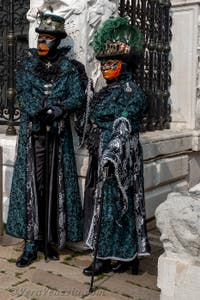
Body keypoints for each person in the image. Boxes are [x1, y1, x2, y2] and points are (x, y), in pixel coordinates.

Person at [6, 12, 87, 267]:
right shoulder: (27, 66)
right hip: (33, 135)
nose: (42, 42)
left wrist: (60, 109)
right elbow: (23, 93)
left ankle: (49, 240)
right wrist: (40, 109)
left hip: (58, 137)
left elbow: (77, 96)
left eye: (47, 38)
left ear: (56, 41)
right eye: (40, 36)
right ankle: (30, 243)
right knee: (33, 185)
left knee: (55, 185)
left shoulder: (69, 69)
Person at [82, 16, 151, 276]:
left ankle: (108, 258)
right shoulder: (107, 90)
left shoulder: (131, 92)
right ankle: (122, 257)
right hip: (103, 152)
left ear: (124, 65)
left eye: (112, 64)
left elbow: (124, 123)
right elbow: (94, 117)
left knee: (116, 206)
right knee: (106, 205)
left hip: (120, 158)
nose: (107, 69)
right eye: (104, 64)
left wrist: (112, 155)